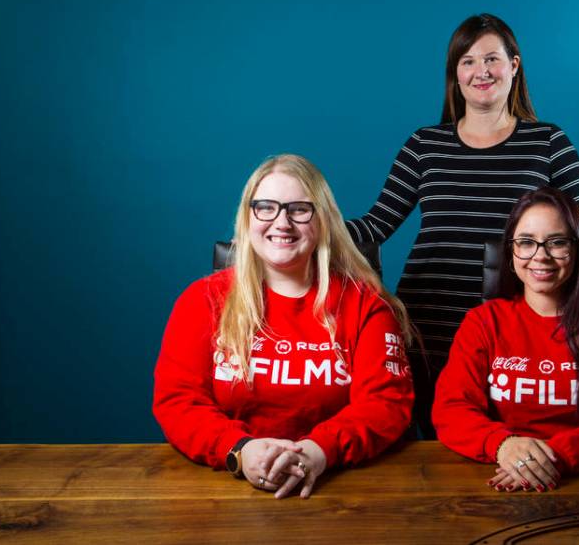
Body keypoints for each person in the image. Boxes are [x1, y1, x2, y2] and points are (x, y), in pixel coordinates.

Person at [346, 13, 579, 434]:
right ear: (455, 75)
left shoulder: (549, 143)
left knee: (500, 447)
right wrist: (305, 225)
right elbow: (375, 225)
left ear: (514, 66)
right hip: (428, 324)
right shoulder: (423, 145)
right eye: (467, 61)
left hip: (509, 331)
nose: (480, 71)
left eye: (492, 59)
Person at [153, 154, 415, 499]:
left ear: (323, 221)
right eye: (266, 207)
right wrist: (241, 450)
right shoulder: (202, 301)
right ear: (248, 219)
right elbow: (178, 401)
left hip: (342, 485)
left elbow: (386, 402)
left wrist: (316, 451)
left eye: (299, 209)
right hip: (224, 486)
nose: (282, 222)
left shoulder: (366, 304)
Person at [432, 187, 579, 491]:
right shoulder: (482, 322)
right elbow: (450, 409)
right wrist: (503, 445)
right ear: (511, 251)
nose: (540, 256)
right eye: (526, 242)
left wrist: (547, 459)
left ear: (578, 249)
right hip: (494, 476)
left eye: (557, 242)